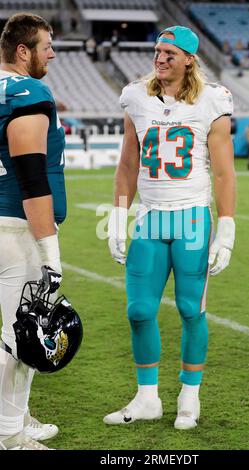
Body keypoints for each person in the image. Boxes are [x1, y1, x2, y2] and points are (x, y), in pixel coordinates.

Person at [105, 25, 236, 430]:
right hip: (149, 217)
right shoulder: (136, 97)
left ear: (189, 59)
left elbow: (225, 173)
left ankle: (188, 395)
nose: (160, 58)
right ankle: (147, 398)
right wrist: (117, 217)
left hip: (193, 217)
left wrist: (226, 228)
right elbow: (128, 163)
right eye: (158, 51)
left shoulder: (212, 100)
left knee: (189, 309)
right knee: (139, 310)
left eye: (170, 53)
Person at [0, 13, 66, 450]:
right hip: (14, 229)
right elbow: (31, 179)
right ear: (23, 51)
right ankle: (10, 434)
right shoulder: (26, 91)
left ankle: (17, 415)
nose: (53, 54)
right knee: (23, 333)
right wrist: (50, 253)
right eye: (46, 46)